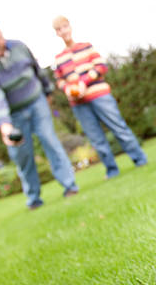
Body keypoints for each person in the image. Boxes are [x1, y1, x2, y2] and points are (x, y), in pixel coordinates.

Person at [0, 22, 78, 210]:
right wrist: (4, 124)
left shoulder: (19, 47)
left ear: (2, 35)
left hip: (36, 101)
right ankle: (34, 199)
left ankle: (70, 187)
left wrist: (47, 92)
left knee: (50, 140)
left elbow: (37, 70)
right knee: (22, 154)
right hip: (13, 113)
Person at [51, 15, 147, 179]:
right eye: (59, 29)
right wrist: (67, 88)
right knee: (96, 138)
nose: (63, 31)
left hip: (99, 95)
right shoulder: (59, 58)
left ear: (70, 27)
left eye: (65, 27)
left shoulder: (86, 47)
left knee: (118, 127)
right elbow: (59, 80)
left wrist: (84, 81)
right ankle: (111, 170)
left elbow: (101, 66)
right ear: (57, 33)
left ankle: (140, 160)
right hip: (78, 103)